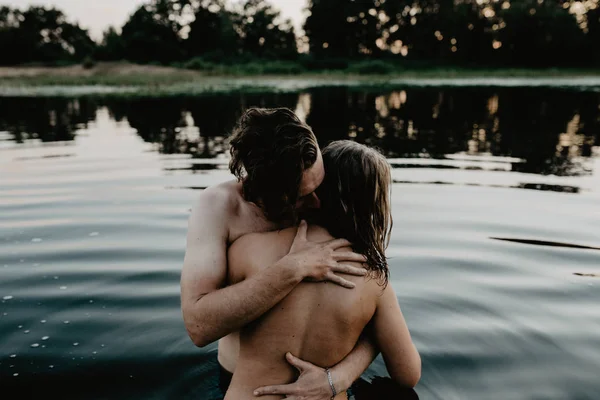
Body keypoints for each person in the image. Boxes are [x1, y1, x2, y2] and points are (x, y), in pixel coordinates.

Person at [180, 108, 381, 398]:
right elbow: (199, 326)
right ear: (260, 192)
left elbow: (379, 317)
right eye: (300, 197)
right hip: (243, 384)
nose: (317, 203)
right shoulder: (218, 208)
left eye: (320, 185)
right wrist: (292, 268)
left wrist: (338, 377)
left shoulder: (320, 187)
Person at [224, 140, 421, 400]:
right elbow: (408, 375)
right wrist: (371, 337)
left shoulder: (247, 248)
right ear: (373, 207)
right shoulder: (371, 279)